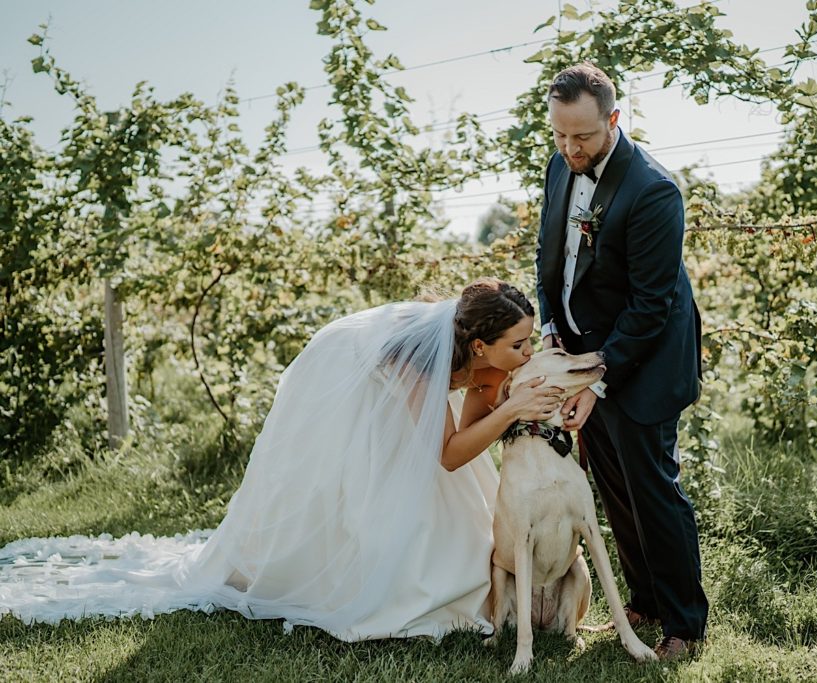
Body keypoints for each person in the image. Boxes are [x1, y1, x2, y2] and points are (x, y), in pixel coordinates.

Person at [0, 278, 562, 642]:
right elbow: (443, 456)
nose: (528, 353)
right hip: (357, 377)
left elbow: (468, 445)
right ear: (479, 346)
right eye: (519, 344)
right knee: (365, 481)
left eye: (530, 340)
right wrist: (511, 411)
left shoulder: (498, 365)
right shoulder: (421, 359)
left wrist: (503, 401)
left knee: (460, 509)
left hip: (426, 404)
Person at [535, 62, 708, 660]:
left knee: (653, 493)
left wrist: (598, 377)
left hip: (645, 361)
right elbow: (549, 254)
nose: (568, 147)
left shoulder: (653, 190)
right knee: (612, 490)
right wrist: (554, 329)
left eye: (581, 136)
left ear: (614, 119)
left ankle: (685, 623)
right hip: (584, 355)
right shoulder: (561, 164)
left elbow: (651, 305)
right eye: (558, 134)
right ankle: (644, 600)